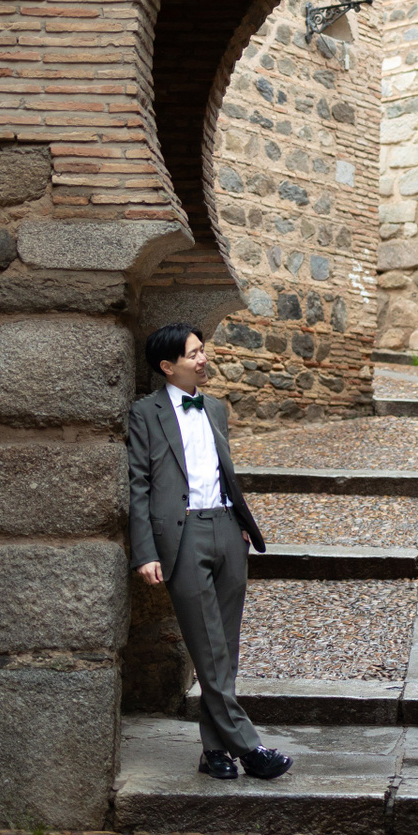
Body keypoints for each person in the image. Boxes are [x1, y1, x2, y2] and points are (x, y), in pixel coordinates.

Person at [127, 322, 292, 781]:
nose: (203, 359)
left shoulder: (216, 408)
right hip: (181, 538)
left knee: (226, 649)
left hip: (227, 531)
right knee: (208, 646)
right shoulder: (145, 413)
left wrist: (240, 525)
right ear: (168, 366)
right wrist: (145, 552)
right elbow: (138, 486)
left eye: (203, 350)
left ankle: (214, 751)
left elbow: (223, 472)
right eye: (193, 353)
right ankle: (250, 748)